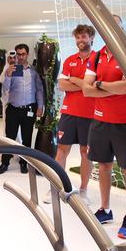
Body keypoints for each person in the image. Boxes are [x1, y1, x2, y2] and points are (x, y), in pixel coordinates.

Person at [82, 15, 126, 239]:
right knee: (104, 167)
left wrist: (100, 84)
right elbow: (86, 90)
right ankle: (105, 209)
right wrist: (109, 87)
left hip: (125, 123)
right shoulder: (96, 57)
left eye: (116, 27)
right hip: (100, 121)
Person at [44, 24, 95, 204]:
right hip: (69, 112)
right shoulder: (70, 60)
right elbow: (62, 85)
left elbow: (93, 88)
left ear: (91, 38)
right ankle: (55, 188)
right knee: (61, 151)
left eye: (84, 37)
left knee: (85, 152)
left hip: (90, 114)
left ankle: (83, 190)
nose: (81, 40)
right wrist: (82, 84)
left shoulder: (97, 60)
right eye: (78, 38)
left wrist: (74, 80)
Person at [0, 43, 45, 174]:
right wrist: (7, 76)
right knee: (9, 137)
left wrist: (40, 106)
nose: (21, 57)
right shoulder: (13, 70)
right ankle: (5, 162)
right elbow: (6, 89)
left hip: (29, 109)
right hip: (13, 108)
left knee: (27, 137)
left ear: (27, 54)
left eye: (23, 54)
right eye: (18, 54)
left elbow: (39, 90)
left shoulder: (33, 71)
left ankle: (24, 162)